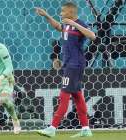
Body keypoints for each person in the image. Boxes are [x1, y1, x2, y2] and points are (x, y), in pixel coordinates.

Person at [35, 1, 96, 138]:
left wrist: (74, 23)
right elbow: (58, 26)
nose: (60, 13)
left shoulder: (79, 24)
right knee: (77, 96)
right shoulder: (65, 24)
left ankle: (52, 127)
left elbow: (92, 36)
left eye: (63, 11)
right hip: (68, 64)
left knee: (64, 95)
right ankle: (86, 128)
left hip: (75, 64)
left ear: (71, 12)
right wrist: (46, 15)